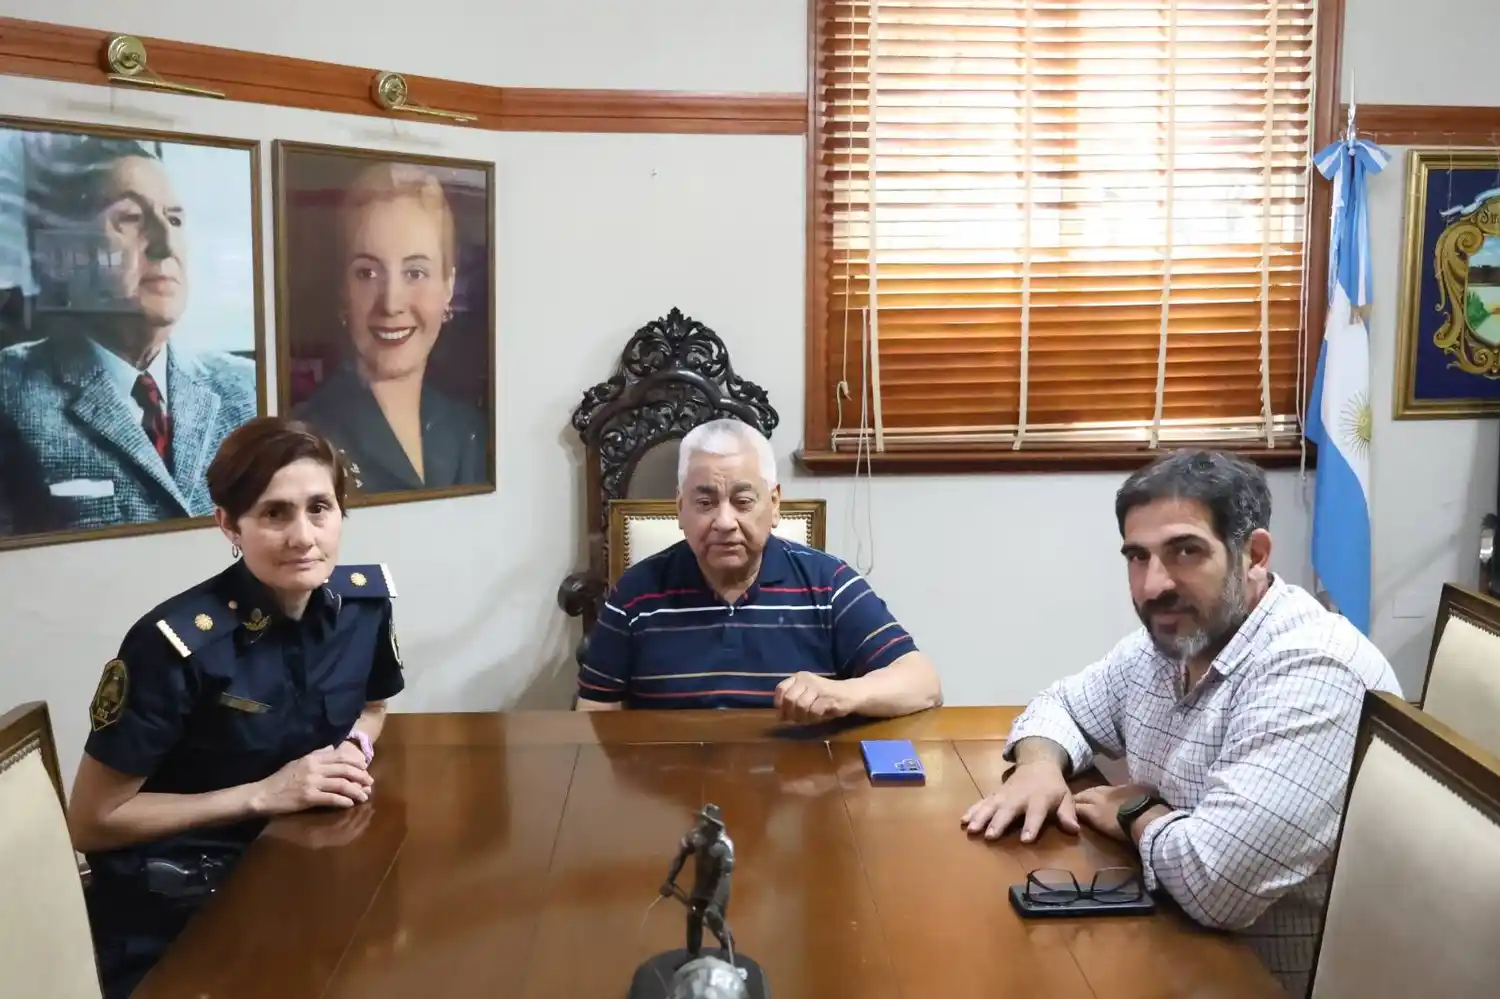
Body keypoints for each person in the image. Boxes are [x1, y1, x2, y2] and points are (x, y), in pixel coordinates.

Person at [959, 448, 1401, 998]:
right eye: (1138, 557)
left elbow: (1216, 884)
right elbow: (1060, 705)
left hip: (1264, 979)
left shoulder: (1313, 669)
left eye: (1185, 552)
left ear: (1254, 555)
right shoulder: (1170, 643)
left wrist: (1137, 812)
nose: (1152, 586)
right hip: (1167, 945)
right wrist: (1038, 765)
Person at [66, 416, 405, 998]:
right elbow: (93, 821)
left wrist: (353, 748)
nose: (304, 536)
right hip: (184, 905)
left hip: (302, 873)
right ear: (230, 524)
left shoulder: (363, 607)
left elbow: (373, 707)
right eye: (275, 514)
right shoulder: (175, 644)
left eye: (319, 508)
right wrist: (265, 794)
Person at [574, 418, 942, 721]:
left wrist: (844, 693)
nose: (724, 521)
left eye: (743, 501)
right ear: (680, 509)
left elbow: (922, 683)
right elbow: (594, 708)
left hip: (799, 791)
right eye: (705, 502)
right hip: (668, 792)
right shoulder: (637, 592)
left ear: (775, 504)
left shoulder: (828, 584)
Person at [0, 135, 258, 535]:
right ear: (61, 255)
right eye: (131, 219)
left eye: (174, 219)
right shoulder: (11, 391)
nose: (166, 244)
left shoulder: (246, 387)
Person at [291, 161, 485, 493]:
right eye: (367, 273)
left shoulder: (471, 429)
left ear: (449, 284)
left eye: (415, 272)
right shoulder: (304, 437)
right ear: (343, 289)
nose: (391, 303)